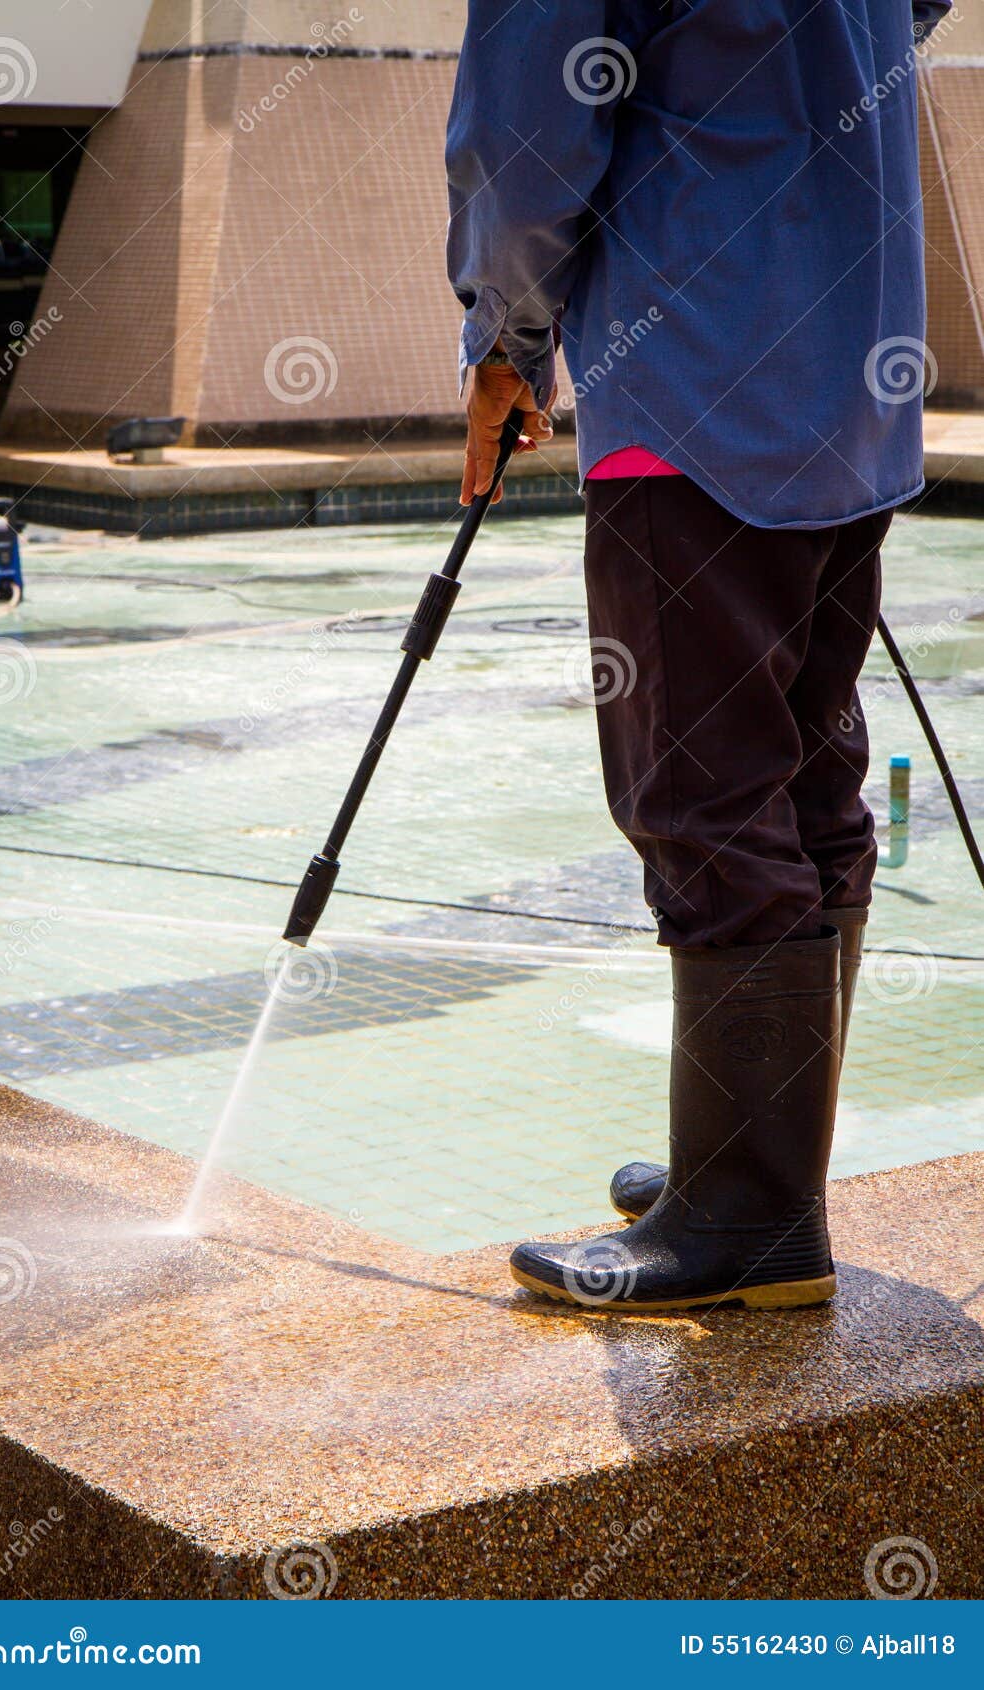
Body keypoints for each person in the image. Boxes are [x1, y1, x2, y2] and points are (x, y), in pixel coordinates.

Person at [446, 0, 952, 1313]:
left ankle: (744, 1216)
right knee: (804, 777)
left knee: (705, 793)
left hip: (696, 373)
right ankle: (756, 1170)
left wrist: (507, 341)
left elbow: (523, 139)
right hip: (856, 369)